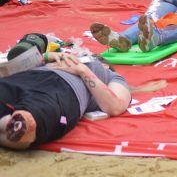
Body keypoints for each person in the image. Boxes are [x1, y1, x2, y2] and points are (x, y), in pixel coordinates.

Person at [0, 52, 130, 149]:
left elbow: (115, 106)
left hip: (65, 90)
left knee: (29, 123)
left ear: (105, 65)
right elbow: (7, 68)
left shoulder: (111, 76)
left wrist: (83, 71)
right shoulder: (63, 55)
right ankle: (8, 125)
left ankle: (13, 126)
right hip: (29, 77)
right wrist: (44, 57)